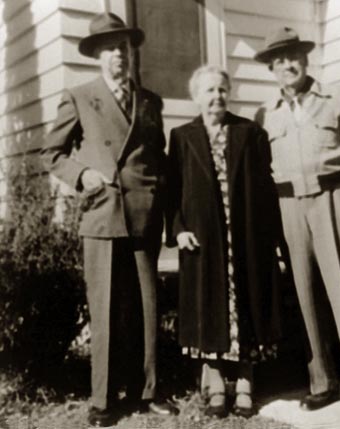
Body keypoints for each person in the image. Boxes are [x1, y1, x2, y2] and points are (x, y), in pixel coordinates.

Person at [41, 12, 178, 427]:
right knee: (103, 309)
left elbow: (160, 161)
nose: (118, 54)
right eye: (109, 47)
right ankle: (102, 399)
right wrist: (82, 175)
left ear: (130, 52)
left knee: (146, 307)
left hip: (143, 215)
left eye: (123, 46)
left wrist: (170, 217)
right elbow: (52, 154)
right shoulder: (79, 97)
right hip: (102, 214)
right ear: (97, 56)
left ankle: (147, 389)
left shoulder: (151, 101)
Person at [254, 27, 340, 429]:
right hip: (287, 207)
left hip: (333, 200)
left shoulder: (337, 98)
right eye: (278, 61)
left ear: (306, 59)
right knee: (305, 296)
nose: (286, 65)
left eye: (292, 56)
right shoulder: (266, 114)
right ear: (271, 69)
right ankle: (322, 381)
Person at [166, 65, 281, 418]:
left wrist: (272, 239)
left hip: (245, 236)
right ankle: (215, 382)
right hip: (202, 238)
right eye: (209, 90)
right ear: (196, 96)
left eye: (221, 89)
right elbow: (172, 190)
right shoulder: (182, 136)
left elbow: (265, 189)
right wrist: (178, 228)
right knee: (208, 307)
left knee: (246, 306)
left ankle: (245, 382)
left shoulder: (249, 133)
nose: (216, 96)